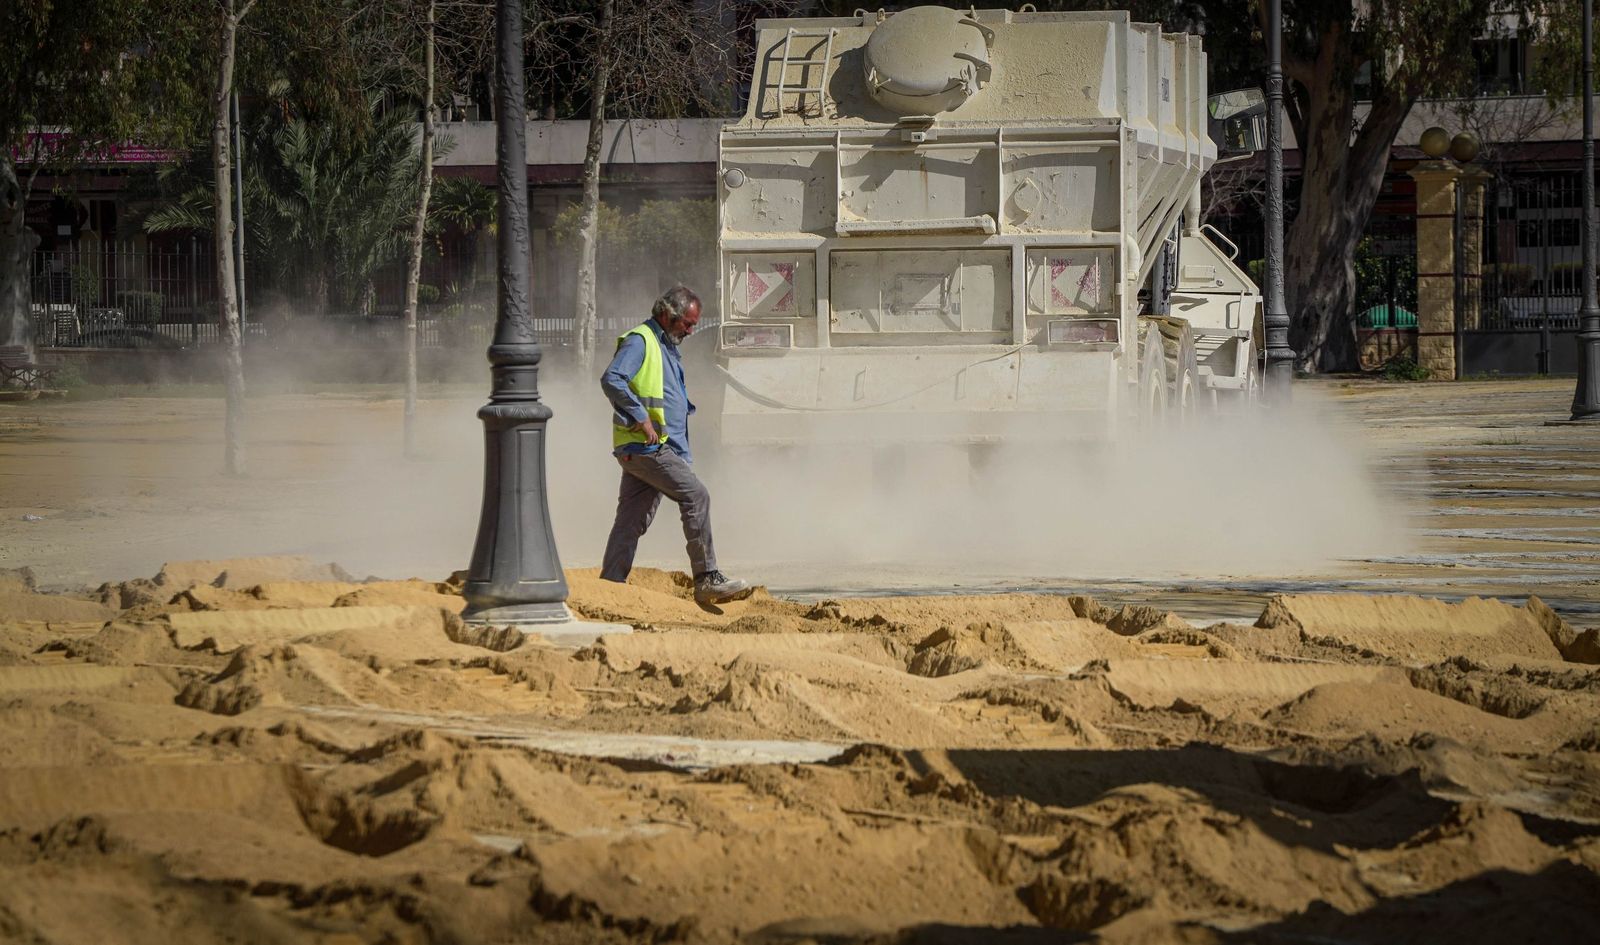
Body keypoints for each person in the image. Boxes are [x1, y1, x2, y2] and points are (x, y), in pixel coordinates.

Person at [599, 286, 751, 605]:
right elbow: (612, 379)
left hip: (644, 450)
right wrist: (641, 417)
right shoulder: (641, 340)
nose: (692, 330)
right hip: (647, 447)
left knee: (630, 521)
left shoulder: (665, 344)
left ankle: (610, 585)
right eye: (688, 323)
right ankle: (707, 577)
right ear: (668, 314)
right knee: (696, 496)